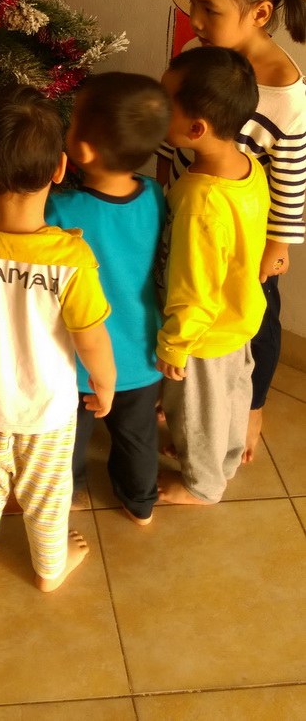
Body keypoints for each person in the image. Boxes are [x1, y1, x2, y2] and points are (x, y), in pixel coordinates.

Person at [0, 84, 116, 593]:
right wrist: (105, 382)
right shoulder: (71, 259)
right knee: (47, 493)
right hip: (47, 411)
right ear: (59, 169)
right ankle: (49, 570)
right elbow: (91, 337)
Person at [157, 0, 306, 461]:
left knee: (255, 321)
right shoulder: (199, 56)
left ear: (260, 13)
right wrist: (162, 182)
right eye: (192, 2)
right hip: (190, 214)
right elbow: (171, 125)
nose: (195, 20)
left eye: (209, 9)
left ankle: (252, 405)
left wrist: (277, 246)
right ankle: (184, 396)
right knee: (185, 302)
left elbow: (291, 180)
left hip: (243, 240)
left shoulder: (285, 94)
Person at [45, 73, 170, 525]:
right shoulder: (155, 196)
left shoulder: (62, 209)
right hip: (141, 353)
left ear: (83, 151)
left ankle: (71, 492)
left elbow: (17, 227)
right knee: (138, 436)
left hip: (79, 360)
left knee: (70, 437)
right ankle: (140, 503)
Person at [157, 47, 270, 505]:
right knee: (231, 397)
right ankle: (223, 458)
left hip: (203, 333)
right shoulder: (248, 167)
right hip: (239, 316)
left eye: (164, 104)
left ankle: (201, 487)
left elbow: (195, 284)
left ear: (196, 129)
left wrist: (176, 344)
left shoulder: (199, 200)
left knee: (198, 412)